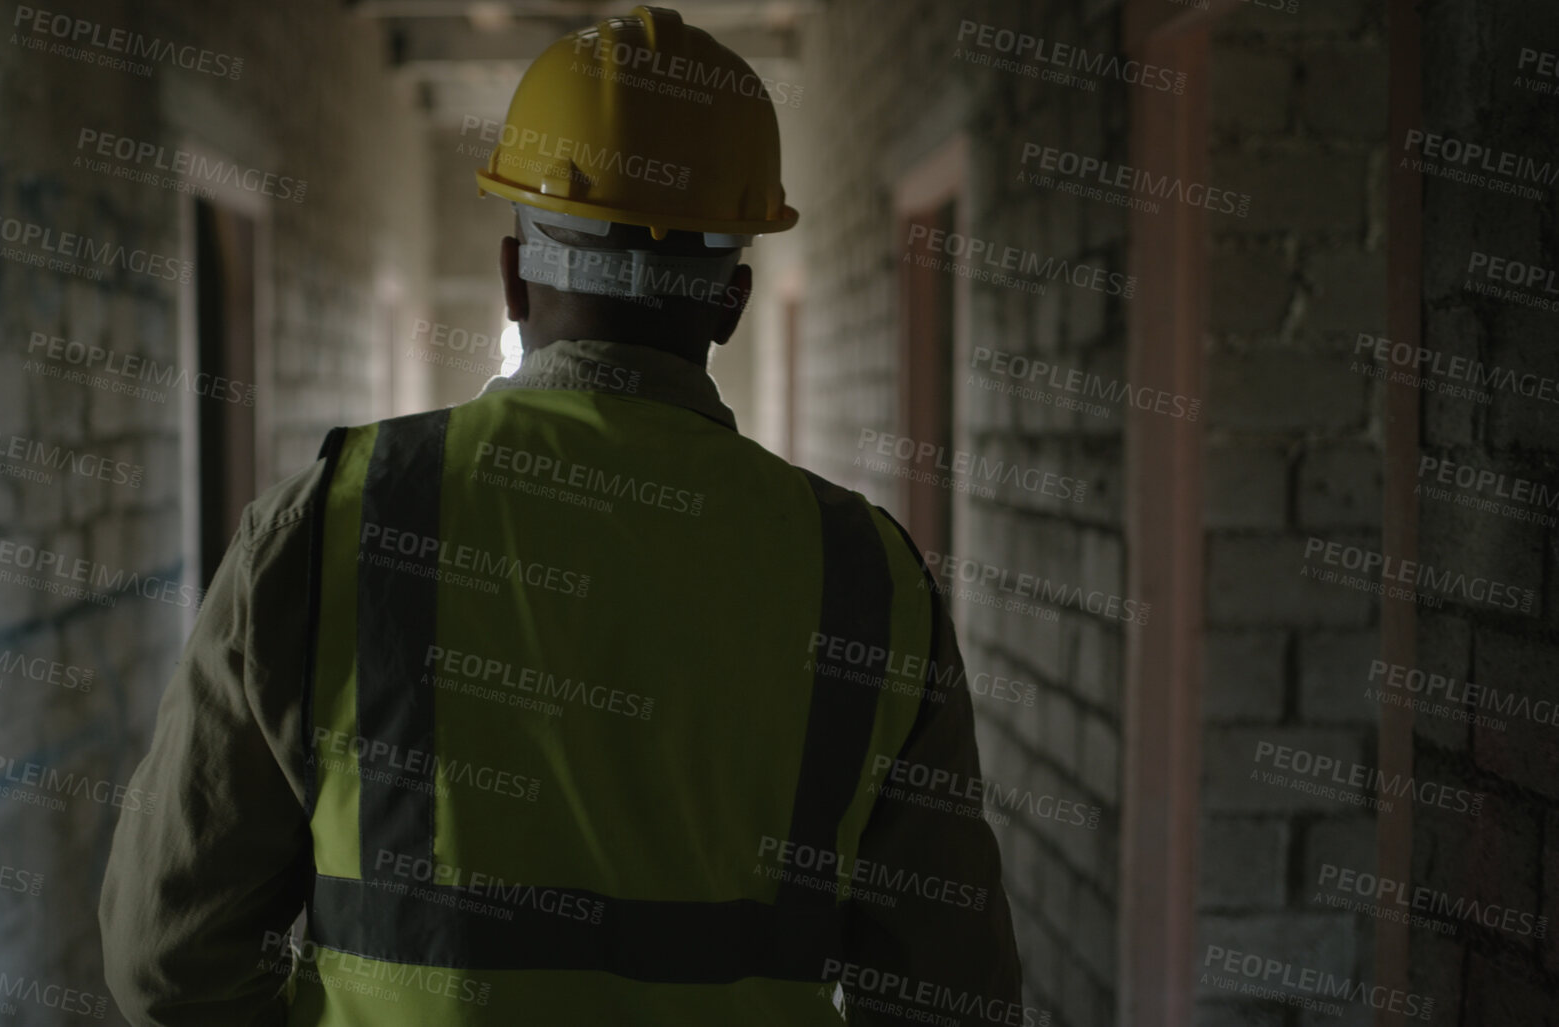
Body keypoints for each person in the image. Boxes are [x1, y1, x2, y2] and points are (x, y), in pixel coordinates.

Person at [99, 6, 1022, 1025]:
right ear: (732, 302)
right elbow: (950, 998)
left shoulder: (329, 525)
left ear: (511, 280)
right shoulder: (869, 578)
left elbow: (169, 963)